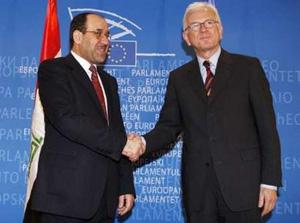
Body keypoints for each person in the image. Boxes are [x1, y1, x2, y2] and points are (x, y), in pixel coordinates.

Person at [124, 2, 282, 223]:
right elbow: (168, 127)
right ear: (186, 37)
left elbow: (267, 128)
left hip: (245, 188)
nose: (204, 29)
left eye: (209, 23)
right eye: (195, 25)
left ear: (221, 29)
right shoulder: (178, 78)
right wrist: (141, 142)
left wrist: (269, 182)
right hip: (199, 191)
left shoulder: (248, 68)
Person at [24, 13, 142, 223]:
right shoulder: (53, 69)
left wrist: (125, 184)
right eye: (98, 33)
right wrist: (122, 144)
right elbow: (66, 119)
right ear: (77, 37)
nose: (106, 41)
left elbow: (117, 131)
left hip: (104, 200)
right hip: (65, 199)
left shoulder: (109, 82)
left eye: (107, 35)